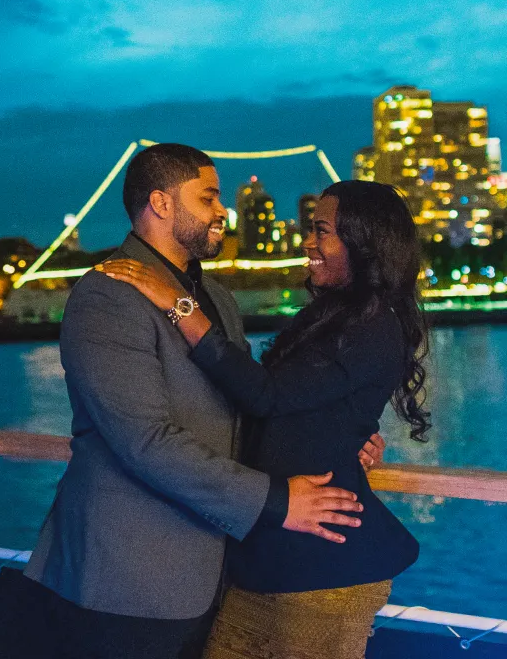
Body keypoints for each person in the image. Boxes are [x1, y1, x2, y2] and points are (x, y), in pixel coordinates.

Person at [24, 145, 381, 659]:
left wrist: (339, 435)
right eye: (209, 197)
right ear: (161, 203)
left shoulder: (215, 296)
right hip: (126, 582)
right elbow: (145, 443)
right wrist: (279, 502)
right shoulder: (107, 296)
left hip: (209, 575)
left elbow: (251, 401)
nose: (222, 212)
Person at [101, 178, 430, 659]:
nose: (308, 243)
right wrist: (348, 430)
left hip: (326, 567)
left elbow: (267, 394)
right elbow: (299, 400)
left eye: (322, 231)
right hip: (270, 554)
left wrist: (181, 306)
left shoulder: (374, 324)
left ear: (363, 242)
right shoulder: (332, 314)